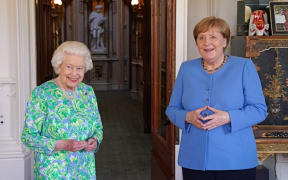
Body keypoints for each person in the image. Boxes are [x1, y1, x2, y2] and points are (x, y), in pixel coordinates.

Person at [166, 16, 267, 180]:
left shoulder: (243, 67)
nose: (207, 43)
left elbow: (259, 110)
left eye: (213, 37)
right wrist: (188, 116)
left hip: (236, 160)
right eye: (201, 37)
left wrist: (228, 117)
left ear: (225, 41)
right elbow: (172, 109)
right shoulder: (186, 69)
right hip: (195, 160)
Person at [21, 41, 103, 179]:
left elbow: (98, 128)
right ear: (59, 67)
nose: (74, 73)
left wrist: (95, 140)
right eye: (69, 67)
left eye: (79, 68)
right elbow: (28, 137)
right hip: (53, 172)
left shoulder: (88, 92)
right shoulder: (42, 94)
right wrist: (63, 145)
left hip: (84, 170)